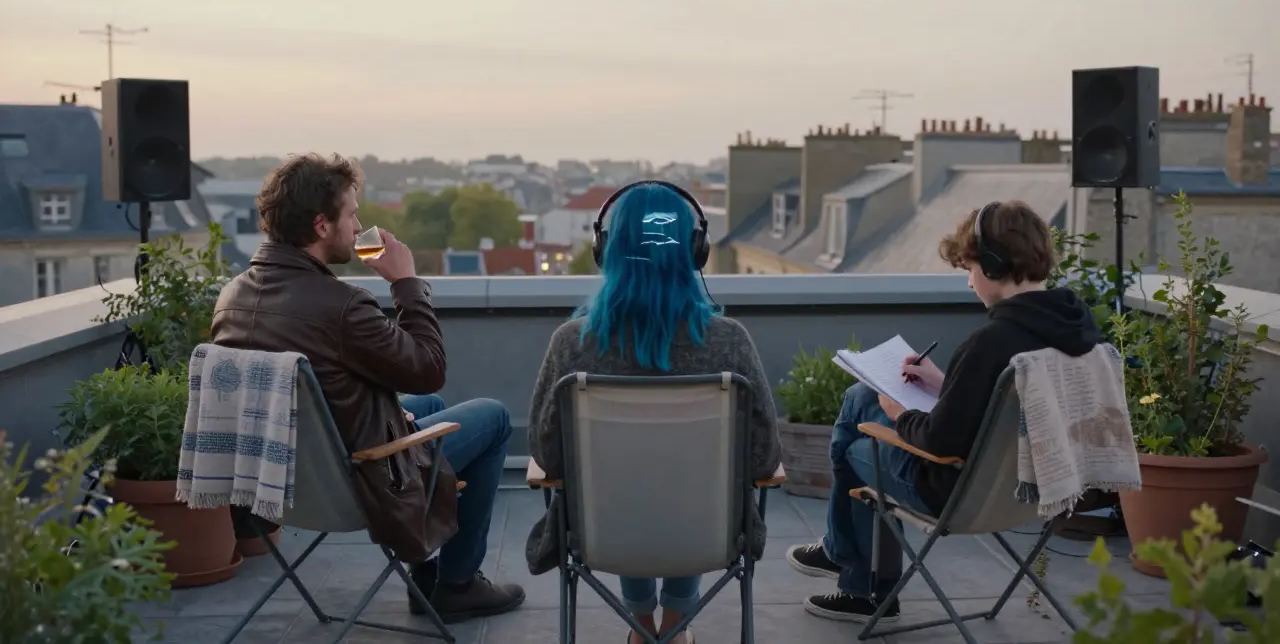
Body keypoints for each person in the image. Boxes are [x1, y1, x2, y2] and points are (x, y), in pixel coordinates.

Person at [211, 153, 524, 623]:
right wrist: (405, 282)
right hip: (358, 483)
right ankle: (457, 585)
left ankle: (425, 575)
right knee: (493, 417)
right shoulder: (342, 306)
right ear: (321, 225)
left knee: (430, 407)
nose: (359, 228)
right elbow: (427, 367)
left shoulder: (233, 296)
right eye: (352, 214)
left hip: (281, 477)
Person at [788, 200, 1103, 624]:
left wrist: (899, 412)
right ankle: (840, 553)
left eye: (969, 269)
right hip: (1034, 488)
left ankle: (861, 583)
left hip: (959, 494)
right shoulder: (1080, 333)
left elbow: (941, 442)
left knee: (856, 446)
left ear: (990, 265)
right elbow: (995, 408)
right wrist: (943, 382)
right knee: (861, 395)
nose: (970, 283)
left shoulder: (992, 342)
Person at [525, 181, 782, 644]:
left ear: (606, 251)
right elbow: (764, 459)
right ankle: (675, 627)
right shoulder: (730, 342)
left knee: (628, 481)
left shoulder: (571, 344)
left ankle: (641, 628)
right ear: (695, 251)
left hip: (603, 533)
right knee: (691, 481)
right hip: (707, 533)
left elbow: (545, 453)